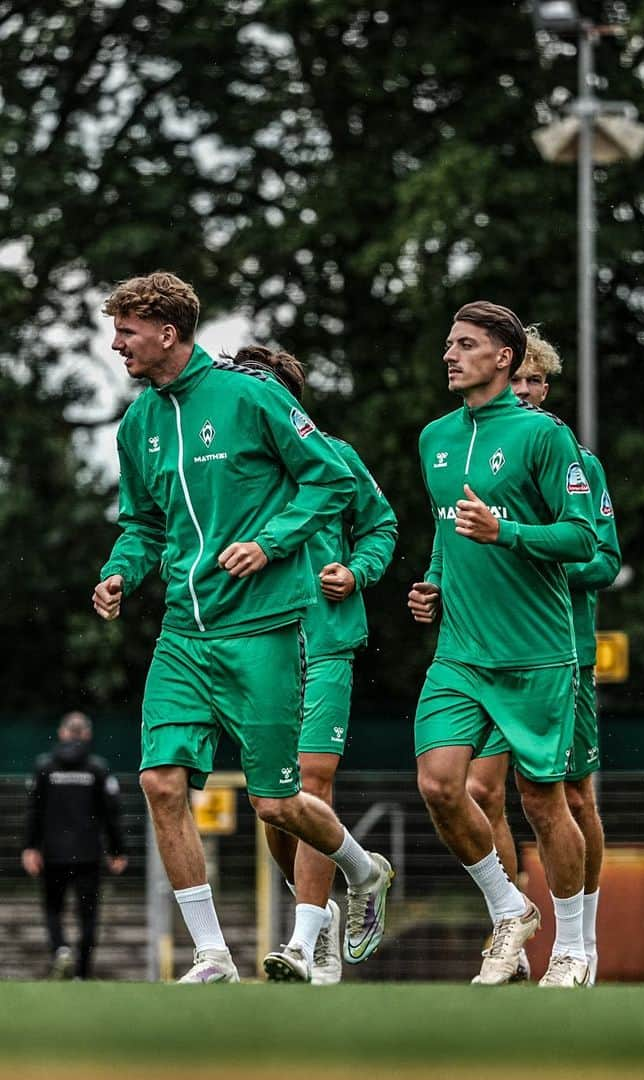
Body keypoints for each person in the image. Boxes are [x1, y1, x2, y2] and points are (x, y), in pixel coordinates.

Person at [92, 271, 393, 983]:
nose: (116, 344)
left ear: (168, 331)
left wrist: (273, 541)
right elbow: (139, 524)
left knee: (277, 803)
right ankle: (212, 955)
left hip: (262, 630)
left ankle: (363, 870)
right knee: (161, 783)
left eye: (127, 331)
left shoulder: (252, 395)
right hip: (181, 635)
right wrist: (119, 574)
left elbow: (334, 481)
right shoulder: (138, 423)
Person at [408, 301, 597, 987]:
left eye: (466, 345)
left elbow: (584, 538)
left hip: (539, 653)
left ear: (504, 358)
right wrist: (431, 582)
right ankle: (509, 905)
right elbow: (442, 526)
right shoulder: (433, 437)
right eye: (448, 343)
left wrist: (506, 533)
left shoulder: (544, 437)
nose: (450, 355)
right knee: (437, 784)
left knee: (545, 802)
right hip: (460, 651)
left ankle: (573, 949)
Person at [227, 346, 398, 985]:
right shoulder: (233, 468)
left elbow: (381, 528)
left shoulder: (337, 456)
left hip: (325, 641)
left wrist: (355, 571)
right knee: (273, 804)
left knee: (312, 779)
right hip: (256, 643)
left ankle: (301, 943)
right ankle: (322, 912)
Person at [465, 328, 621, 985]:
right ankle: (514, 937)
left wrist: (526, 549)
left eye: (533, 381)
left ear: (545, 388)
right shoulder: (472, 454)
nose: (523, 391)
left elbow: (604, 558)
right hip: (490, 656)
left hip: (561, 655)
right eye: (515, 380)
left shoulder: (573, 457)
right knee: (477, 789)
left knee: (572, 800)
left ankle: (578, 947)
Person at [22, 712, 128, 979]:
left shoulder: (44, 767)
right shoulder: (97, 769)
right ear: (88, 734)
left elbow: (34, 810)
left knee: (52, 909)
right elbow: (112, 813)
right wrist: (117, 850)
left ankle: (60, 950)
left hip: (54, 854)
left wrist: (30, 847)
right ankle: (82, 972)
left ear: (62, 733)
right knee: (88, 915)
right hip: (88, 856)